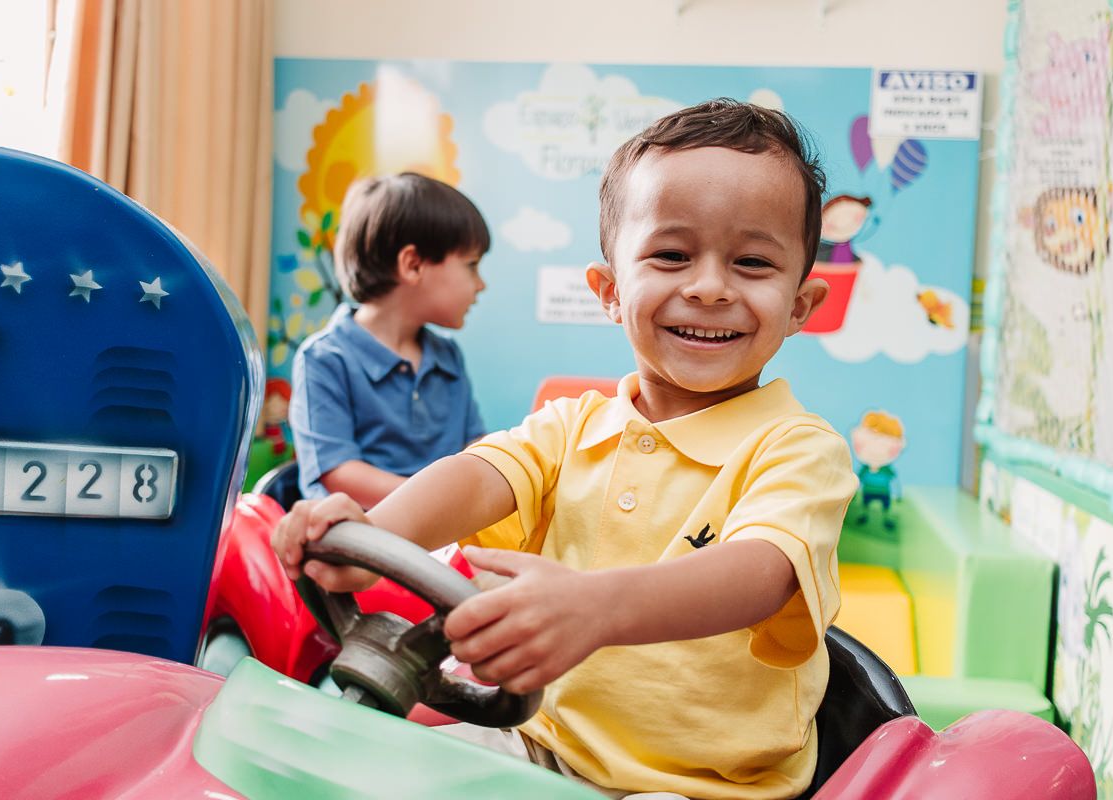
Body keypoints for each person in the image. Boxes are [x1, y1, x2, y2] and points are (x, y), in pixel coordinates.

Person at [273, 98, 858, 800]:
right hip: (536, 744)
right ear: (610, 291)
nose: (708, 287)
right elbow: (478, 476)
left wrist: (595, 608)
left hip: (699, 786)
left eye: (753, 262)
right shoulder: (571, 426)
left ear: (800, 305)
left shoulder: (797, 449)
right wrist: (373, 538)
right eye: (671, 255)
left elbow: (760, 572)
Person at [289, 173, 490, 507]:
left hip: (440, 528)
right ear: (412, 265)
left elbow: (476, 445)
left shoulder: (447, 356)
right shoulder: (324, 359)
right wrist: (439, 498)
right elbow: (338, 473)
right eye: (471, 266)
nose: (480, 284)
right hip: (361, 536)